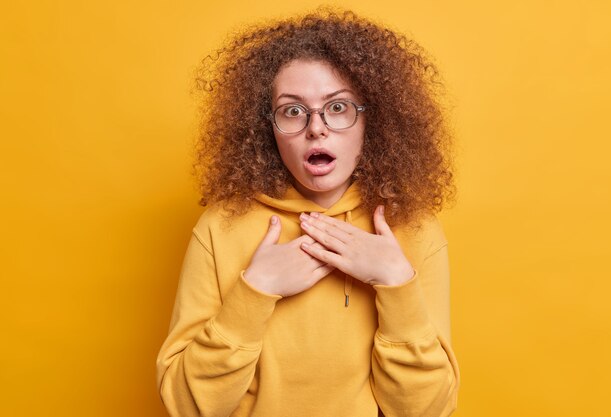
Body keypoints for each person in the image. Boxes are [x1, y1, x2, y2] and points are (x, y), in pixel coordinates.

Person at [156, 7, 460, 417]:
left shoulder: (415, 229)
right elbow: (185, 406)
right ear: (268, 127)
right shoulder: (220, 227)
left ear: (373, 120)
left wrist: (397, 282)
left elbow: (427, 411)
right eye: (293, 111)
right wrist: (255, 289)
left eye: (338, 108)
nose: (315, 127)